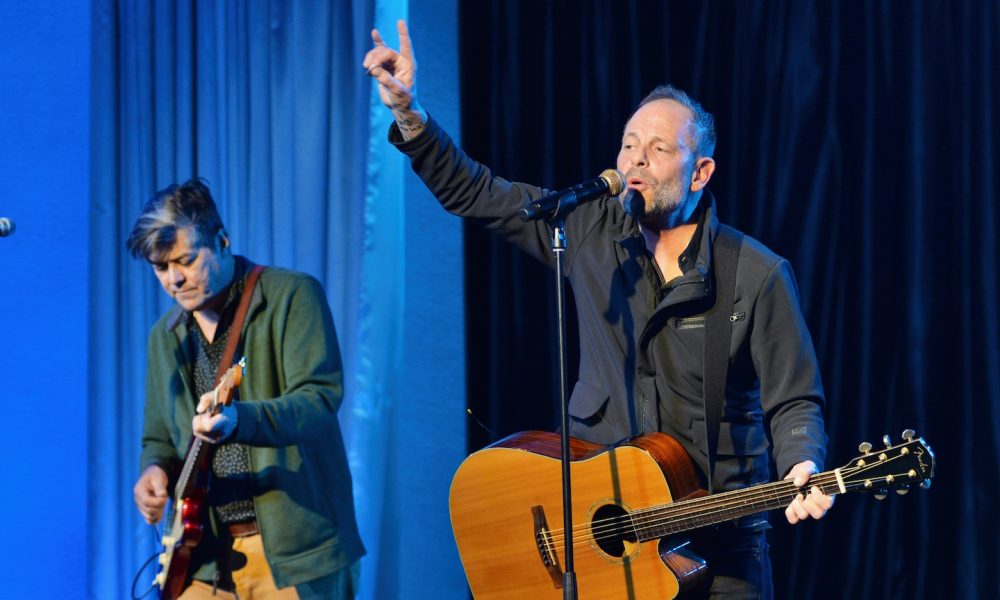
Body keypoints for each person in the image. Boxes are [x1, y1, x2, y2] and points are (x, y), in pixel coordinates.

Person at [364, 20, 834, 598]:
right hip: (603, 542)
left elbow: (795, 400)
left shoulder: (756, 275)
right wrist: (410, 114)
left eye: (659, 149)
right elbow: (476, 192)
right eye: (630, 144)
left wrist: (804, 463)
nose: (637, 159)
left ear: (700, 171)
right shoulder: (586, 228)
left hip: (718, 542)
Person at [128, 180, 364, 599]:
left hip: (290, 551)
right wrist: (154, 472)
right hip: (202, 553)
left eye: (185, 260)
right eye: (161, 268)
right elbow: (158, 438)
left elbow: (318, 400)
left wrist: (242, 419)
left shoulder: (291, 295)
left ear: (222, 241)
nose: (174, 280)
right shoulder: (164, 337)